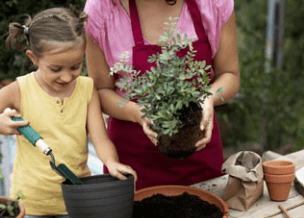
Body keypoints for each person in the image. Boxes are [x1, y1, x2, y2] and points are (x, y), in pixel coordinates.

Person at [0, 5, 137, 218]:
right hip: (31, 205)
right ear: (33, 58)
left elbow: (101, 140)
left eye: (75, 66)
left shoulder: (87, 89)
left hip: (75, 199)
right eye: (55, 69)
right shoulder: (19, 90)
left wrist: (112, 163)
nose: (66, 76)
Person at [84, 0, 240, 190]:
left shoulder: (212, 4)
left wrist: (208, 97)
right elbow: (101, 90)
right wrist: (136, 112)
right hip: (133, 164)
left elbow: (229, 75)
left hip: (198, 154)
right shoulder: (102, 9)